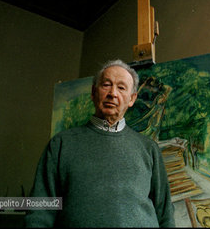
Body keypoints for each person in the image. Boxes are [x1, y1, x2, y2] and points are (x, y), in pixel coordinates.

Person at [25, 59, 175, 227]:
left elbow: (165, 212)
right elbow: (40, 210)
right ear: (93, 92)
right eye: (106, 85)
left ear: (132, 99)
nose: (113, 93)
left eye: (121, 87)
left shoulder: (149, 148)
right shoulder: (61, 144)